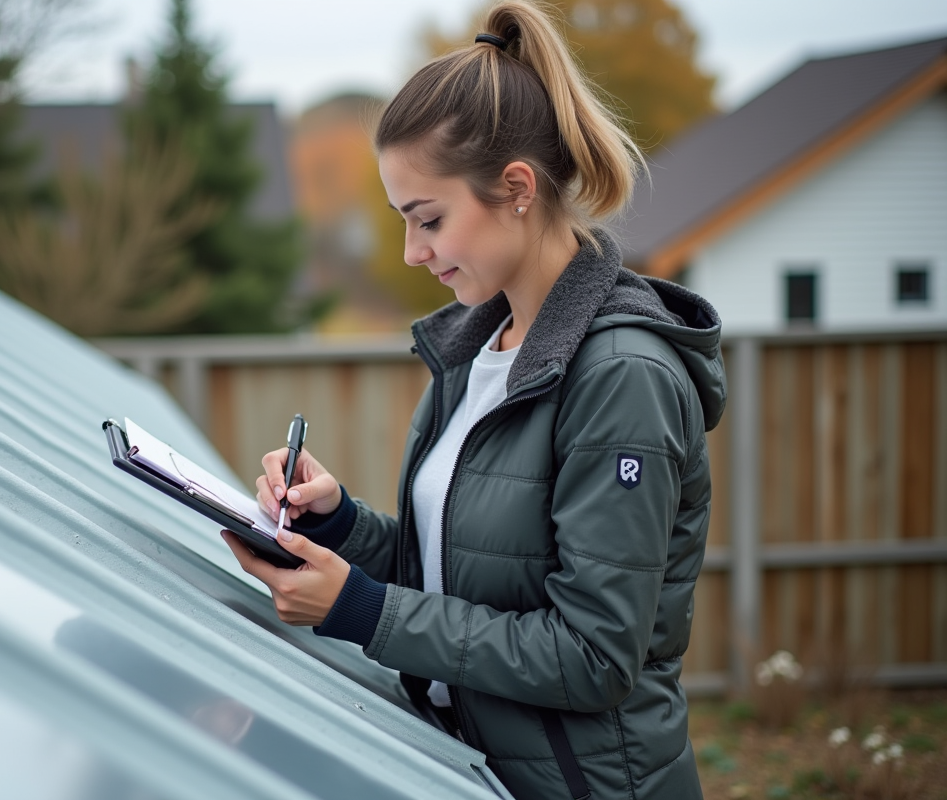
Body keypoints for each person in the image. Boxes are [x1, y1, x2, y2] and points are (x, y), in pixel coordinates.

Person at [220, 2, 725, 797]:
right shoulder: (475, 355)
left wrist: (360, 611)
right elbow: (459, 579)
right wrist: (342, 526)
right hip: (470, 769)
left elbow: (593, 656)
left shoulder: (624, 376)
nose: (413, 253)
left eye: (429, 219)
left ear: (517, 188)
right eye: (402, 223)